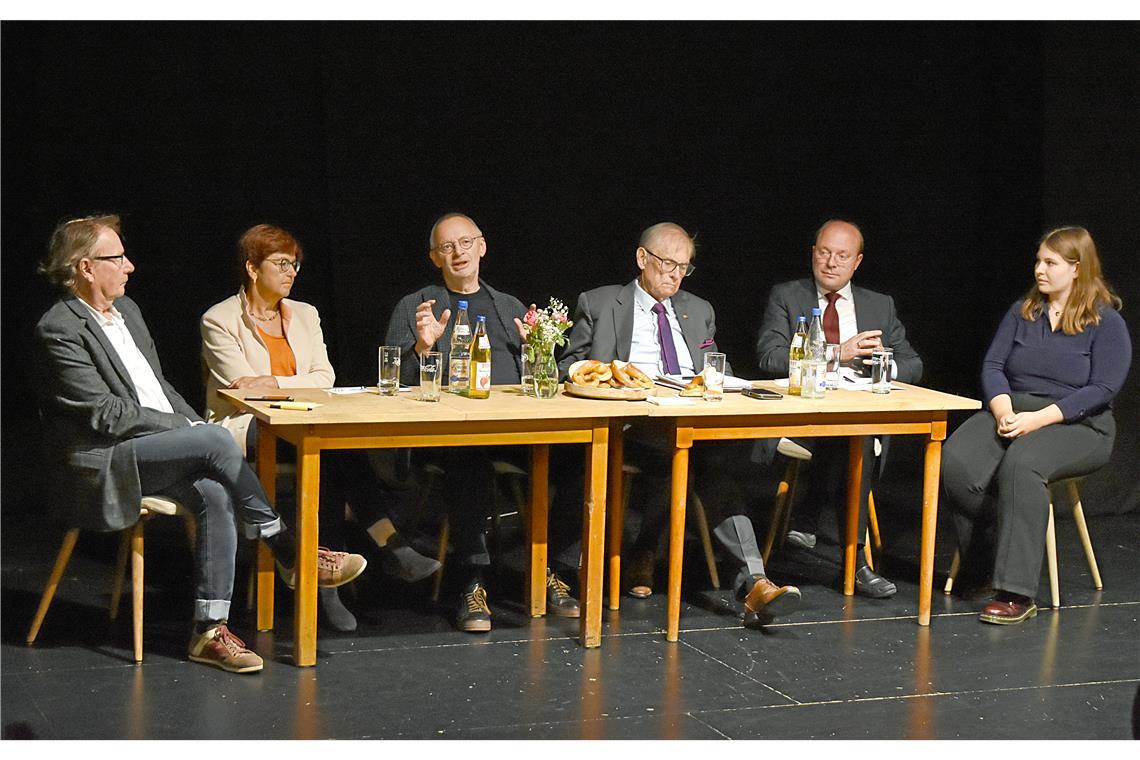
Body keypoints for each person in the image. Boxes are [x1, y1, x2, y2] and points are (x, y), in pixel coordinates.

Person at [33, 214, 366, 673]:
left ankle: (209, 631)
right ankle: (289, 551)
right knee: (214, 441)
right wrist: (187, 431)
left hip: (156, 443)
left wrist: (187, 424)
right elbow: (106, 415)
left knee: (213, 490)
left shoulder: (126, 312)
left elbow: (157, 385)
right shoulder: (60, 327)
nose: (129, 266)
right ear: (86, 267)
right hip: (108, 457)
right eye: (118, 258)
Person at [201, 223, 440, 632]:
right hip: (247, 427)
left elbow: (324, 377)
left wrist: (274, 381)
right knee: (325, 453)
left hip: (306, 419)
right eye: (281, 264)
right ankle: (387, 544)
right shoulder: (219, 319)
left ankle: (323, 581)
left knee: (328, 453)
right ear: (253, 268)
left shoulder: (306, 315)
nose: (291, 272)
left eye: (295, 265)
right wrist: (288, 385)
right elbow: (243, 390)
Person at [559, 222, 801, 625]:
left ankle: (756, 582)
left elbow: (712, 367)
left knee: (709, 458)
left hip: (691, 420)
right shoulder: (600, 304)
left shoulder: (698, 310)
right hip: (630, 423)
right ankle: (646, 553)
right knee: (686, 457)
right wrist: (607, 376)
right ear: (642, 259)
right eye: (667, 264)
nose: (674, 274)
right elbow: (570, 366)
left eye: (683, 267)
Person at [384, 212, 580, 632]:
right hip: (451, 435)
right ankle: (471, 582)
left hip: (517, 434)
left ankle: (552, 569)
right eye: (447, 247)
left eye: (466, 243)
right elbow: (391, 382)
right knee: (470, 463)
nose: (458, 253)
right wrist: (422, 345)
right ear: (435, 257)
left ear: (482, 247)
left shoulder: (508, 305)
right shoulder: (416, 305)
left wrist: (538, 352)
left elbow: (536, 378)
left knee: (585, 459)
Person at [942, 227, 1130, 625]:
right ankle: (985, 560)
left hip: (1080, 424)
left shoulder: (1106, 321)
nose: (1039, 270)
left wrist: (1038, 419)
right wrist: (1002, 407)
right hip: (1014, 410)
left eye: (1050, 263)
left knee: (1023, 464)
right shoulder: (1023, 311)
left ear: (1077, 269)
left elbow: (1102, 388)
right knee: (955, 460)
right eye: (1039, 260)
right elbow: (993, 365)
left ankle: (1016, 592)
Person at [755, 219, 923, 598]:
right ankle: (852, 556)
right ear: (813, 254)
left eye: (841, 256)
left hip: (855, 416)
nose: (830, 262)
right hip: (801, 418)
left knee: (856, 434)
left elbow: (913, 365)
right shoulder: (787, 296)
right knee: (850, 439)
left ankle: (840, 544)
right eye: (824, 253)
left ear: (857, 262)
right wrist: (837, 353)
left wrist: (882, 363)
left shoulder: (879, 306)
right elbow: (769, 357)